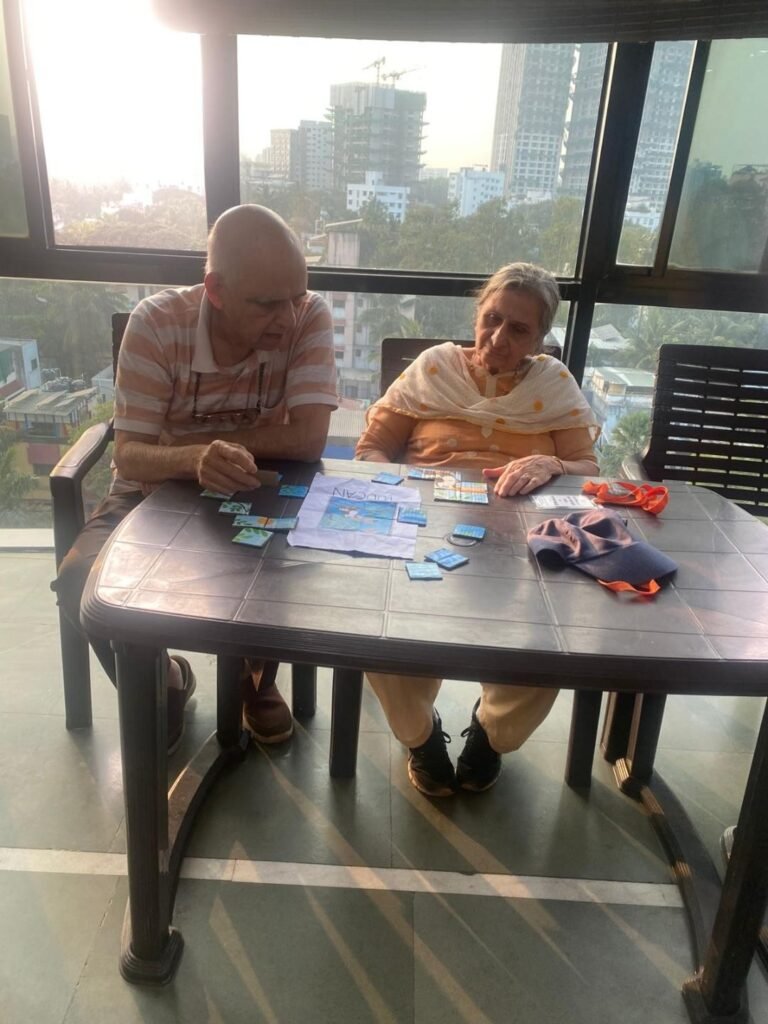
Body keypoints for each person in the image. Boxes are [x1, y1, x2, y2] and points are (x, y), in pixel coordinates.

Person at [55, 205, 338, 751]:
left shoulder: (308, 315)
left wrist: (207, 445)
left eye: (296, 296)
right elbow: (130, 456)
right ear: (216, 290)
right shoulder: (157, 323)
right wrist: (192, 458)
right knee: (78, 583)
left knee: (275, 569)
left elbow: (308, 439)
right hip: (155, 489)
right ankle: (164, 679)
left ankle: (254, 680)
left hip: (257, 486)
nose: (287, 318)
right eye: (266, 304)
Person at [355, 262, 599, 797]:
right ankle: (421, 736)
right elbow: (371, 450)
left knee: (551, 629)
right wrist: (403, 497)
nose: (499, 337)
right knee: (380, 619)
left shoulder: (554, 384)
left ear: (541, 338)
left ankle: (492, 733)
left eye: (519, 329)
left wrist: (553, 463)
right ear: (476, 314)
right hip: (423, 528)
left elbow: (587, 470)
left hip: (521, 539)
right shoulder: (433, 367)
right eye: (492, 319)